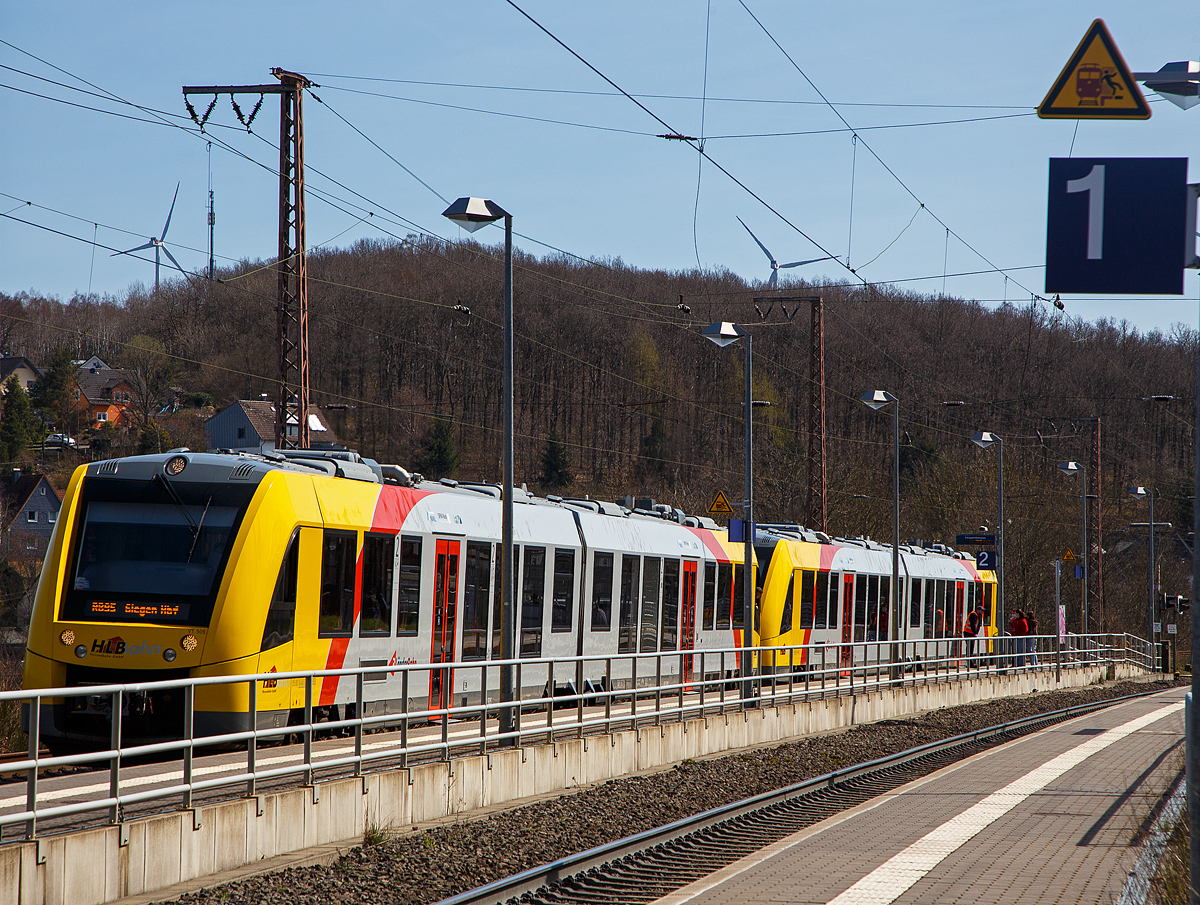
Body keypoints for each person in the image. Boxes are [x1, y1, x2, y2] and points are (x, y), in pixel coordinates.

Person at [964, 603, 983, 668]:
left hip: (969, 633)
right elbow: (972, 624)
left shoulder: (976, 615)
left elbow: (977, 625)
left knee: (970, 647)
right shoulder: (973, 615)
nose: (982, 612)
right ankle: (970, 663)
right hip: (969, 633)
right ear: (978, 610)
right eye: (981, 610)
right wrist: (975, 633)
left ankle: (970, 662)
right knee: (970, 647)